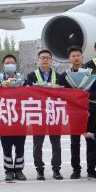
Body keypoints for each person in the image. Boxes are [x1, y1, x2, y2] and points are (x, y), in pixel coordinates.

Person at [27, 49, 65, 180]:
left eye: (47, 58)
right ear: (38, 60)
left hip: (54, 113)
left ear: (51, 61)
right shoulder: (31, 76)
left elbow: (65, 95)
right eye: (42, 58)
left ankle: (56, 169)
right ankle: (39, 169)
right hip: (38, 114)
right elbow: (27, 94)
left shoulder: (59, 77)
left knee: (56, 144)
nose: (45, 60)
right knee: (38, 144)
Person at [66, 46, 96, 179]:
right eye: (73, 56)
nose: (76, 58)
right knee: (74, 142)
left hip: (90, 112)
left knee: (91, 141)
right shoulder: (65, 75)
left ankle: (91, 169)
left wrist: (85, 94)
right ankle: (76, 169)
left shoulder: (91, 73)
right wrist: (74, 95)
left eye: (78, 55)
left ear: (82, 57)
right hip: (74, 113)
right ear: (69, 58)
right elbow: (62, 94)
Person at [0, 54, 27, 181]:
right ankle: (9, 171)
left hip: (20, 117)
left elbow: (29, 94)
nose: (10, 65)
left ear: (16, 65)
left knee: (20, 146)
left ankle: (19, 170)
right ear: (3, 65)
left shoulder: (22, 79)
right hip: (4, 117)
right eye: (7, 63)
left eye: (12, 63)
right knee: (6, 147)